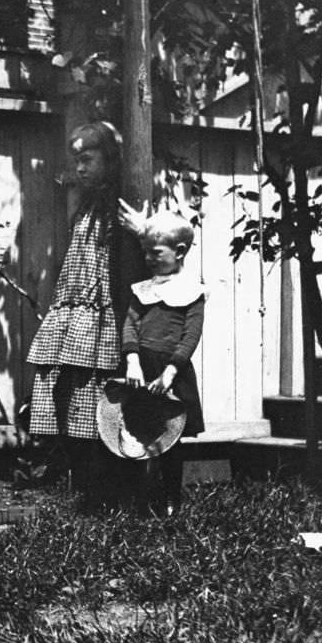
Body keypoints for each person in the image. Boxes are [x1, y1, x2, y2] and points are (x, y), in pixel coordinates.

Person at [25, 121, 147, 512]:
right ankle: (89, 493)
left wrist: (144, 230)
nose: (79, 168)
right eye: (76, 160)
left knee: (104, 399)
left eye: (87, 159)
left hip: (105, 314)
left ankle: (117, 496)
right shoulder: (86, 207)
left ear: (109, 160)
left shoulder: (124, 202)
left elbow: (143, 261)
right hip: (77, 309)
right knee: (74, 400)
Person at [121, 210, 207, 515]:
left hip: (171, 373)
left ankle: (171, 500)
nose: (148, 258)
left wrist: (170, 373)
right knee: (137, 432)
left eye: (156, 252)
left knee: (171, 438)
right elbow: (130, 326)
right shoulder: (143, 290)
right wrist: (132, 361)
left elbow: (190, 336)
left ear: (179, 252)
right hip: (142, 371)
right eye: (145, 251)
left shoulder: (192, 292)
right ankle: (139, 500)